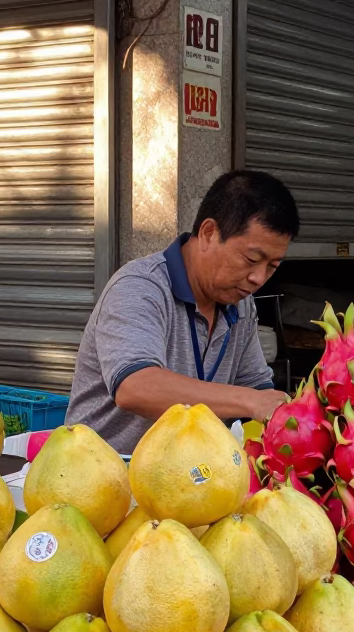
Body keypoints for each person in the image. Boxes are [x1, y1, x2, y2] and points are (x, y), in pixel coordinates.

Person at [65, 170, 300, 451]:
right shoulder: (140, 287)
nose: (258, 278)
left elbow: (256, 387)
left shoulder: (240, 303)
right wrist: (250, 401)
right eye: (251, 259)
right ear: (209, 233)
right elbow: (135, 387)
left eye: (272, 266)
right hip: (103, 478)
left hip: (191, 478)